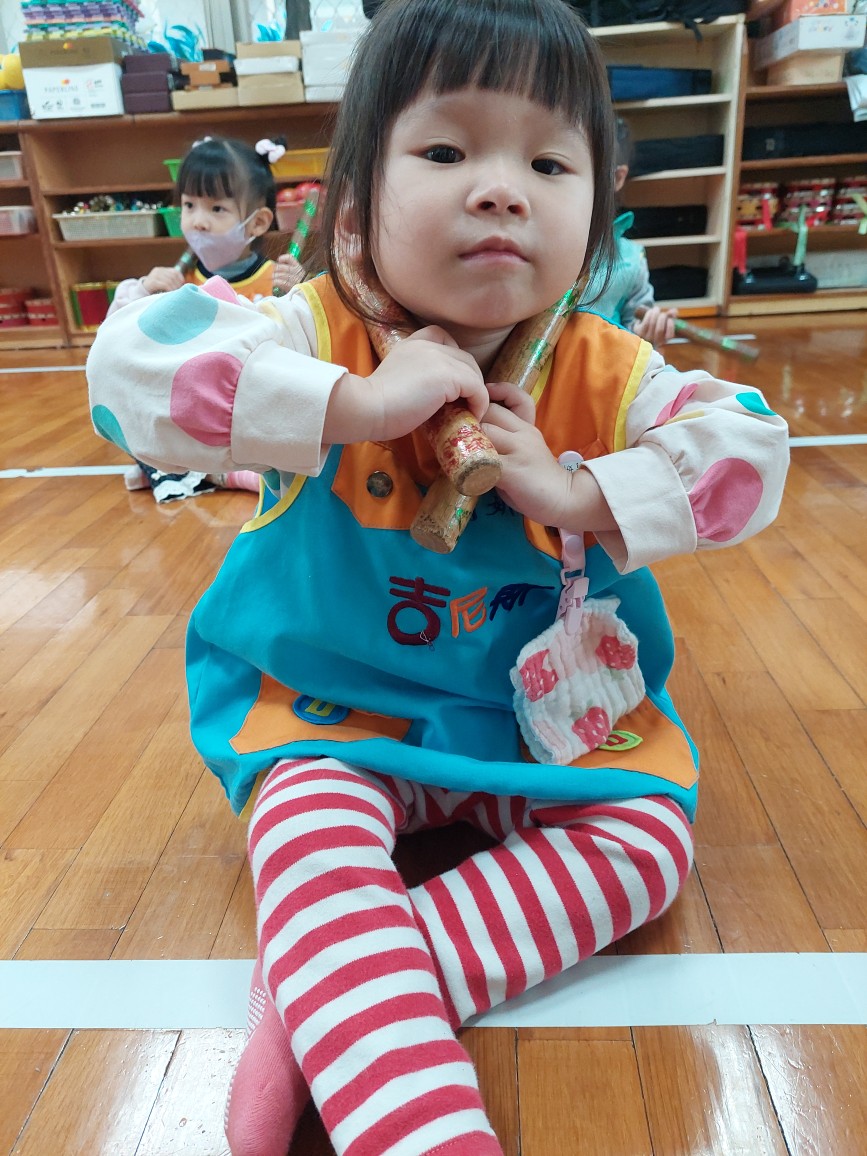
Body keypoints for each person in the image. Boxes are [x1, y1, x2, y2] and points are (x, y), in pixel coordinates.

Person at [86, 2, 789, 1154]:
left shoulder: (605, 367)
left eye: (549, 163)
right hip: (332, 710)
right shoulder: (312, 328)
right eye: (449, 149)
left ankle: (319, 998)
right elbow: (131, 371)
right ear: (355, 207)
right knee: (307, 830)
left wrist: (580, 492)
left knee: (651, 846)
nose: (502, 190)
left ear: (596, 214)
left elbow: (752, 449)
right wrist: (351, 404)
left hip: (535, 728)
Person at [110, 135, 307, 501]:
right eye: (189, 205)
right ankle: (199, 470)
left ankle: (196, 472)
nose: (198, 222)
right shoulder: (177, 281)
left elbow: (303, 349)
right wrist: (144, 291)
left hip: (250, 410)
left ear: (257, 223)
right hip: (194, 410)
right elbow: (121, 339)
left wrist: (300, 294)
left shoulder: (275, 282)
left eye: (216, 209)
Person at [584, 116, 678, 347]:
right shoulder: (539, 246)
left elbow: (633, 326)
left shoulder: (631, 259)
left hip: (604, 364)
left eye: (593, 169)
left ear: (617, 178)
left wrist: (645, 335)